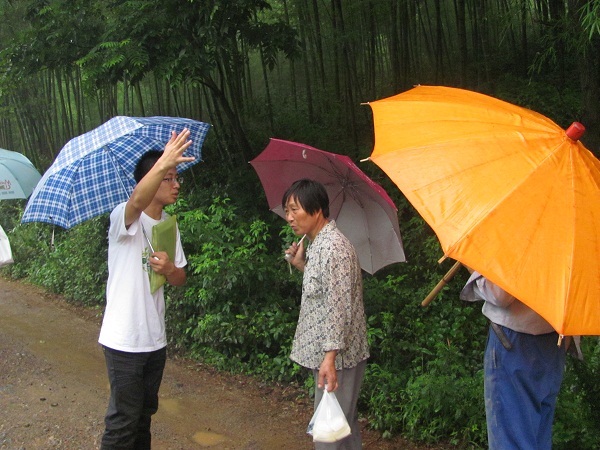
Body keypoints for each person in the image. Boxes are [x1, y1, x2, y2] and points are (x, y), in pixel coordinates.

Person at [98, 129, 193, 449]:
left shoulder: (168, 225)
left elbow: (180, 278)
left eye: (176, 177)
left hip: (154, 340)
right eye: (169, 178)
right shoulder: (123, 219)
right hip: (124, 339)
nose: (177, 183)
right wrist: (164, 159)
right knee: (123, 420)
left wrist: (169, 270)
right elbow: (138, 199)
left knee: (143, 417)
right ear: (150, 181)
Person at [283, 178, 369, 449]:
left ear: (317, 209)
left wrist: (330, 358)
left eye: (295, 210)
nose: (289, 218)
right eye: (287, 211)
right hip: (331, 356)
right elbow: (324, 290)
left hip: (339, 358)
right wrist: (302, 265)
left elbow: (339, 305)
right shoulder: (318, 243)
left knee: (329, 432)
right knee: (343, 427)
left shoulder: (334, 248)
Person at [460, 269, 567, 450]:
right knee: (537, 440)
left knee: (511, 442)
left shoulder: (526, 240)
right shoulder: (570, 243)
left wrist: (472, 266)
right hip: (553, 340)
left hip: (515, 342)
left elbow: (500, 294)